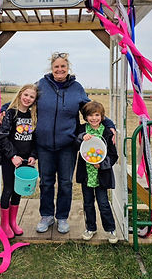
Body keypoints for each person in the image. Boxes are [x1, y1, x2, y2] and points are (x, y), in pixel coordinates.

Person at [35, 52, 116, 234]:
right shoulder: (41, 85)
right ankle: (47, 216)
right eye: (56, 66)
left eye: (63, 66)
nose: (60, 69)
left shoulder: (76, 88)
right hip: (44, 145)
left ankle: (62, 217)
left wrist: (109, 124)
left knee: (65, 183)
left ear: (68, 68)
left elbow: (91, 110)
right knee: (46, 182)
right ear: (52, 68)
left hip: (67, 145)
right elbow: (24, 98)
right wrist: (3, 109)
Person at [0, 84, 38, 238]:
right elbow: (1, 136)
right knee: (9, 189)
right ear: (20, 94)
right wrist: (12, 156)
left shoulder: (33, 116)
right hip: (10, 159)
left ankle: (13, 222)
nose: (28, 98)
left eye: (32, 97)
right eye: (26, 95)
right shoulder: (10, 113)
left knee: (19, 191)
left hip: (24, 160)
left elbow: (35, 139)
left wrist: (33, 155)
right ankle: (4, 224)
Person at [75, 101, 118, 243]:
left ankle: (111, 229)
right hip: (86, 174)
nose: (94, 118)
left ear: (102, 116)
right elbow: (75, 143)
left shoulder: (106, 132)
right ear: (86, 117)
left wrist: (103, 164)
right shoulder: (82, 129)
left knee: (103, 203)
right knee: (88, 203)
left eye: (97, 115)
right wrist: (81, 137)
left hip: (101, 176)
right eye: (90, 116)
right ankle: (91, 228)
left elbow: (113, 155)